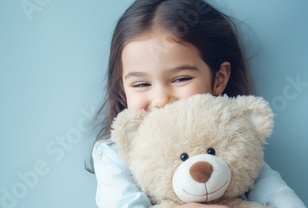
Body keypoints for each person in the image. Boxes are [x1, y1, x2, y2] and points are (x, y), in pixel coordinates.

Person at [88, 0, 306, 207]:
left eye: (180, 79)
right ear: (122, 88)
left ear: (219, 79)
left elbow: (278, 196)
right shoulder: (112, 154)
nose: (161, 99)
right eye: (142, 84)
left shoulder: (233, 141)